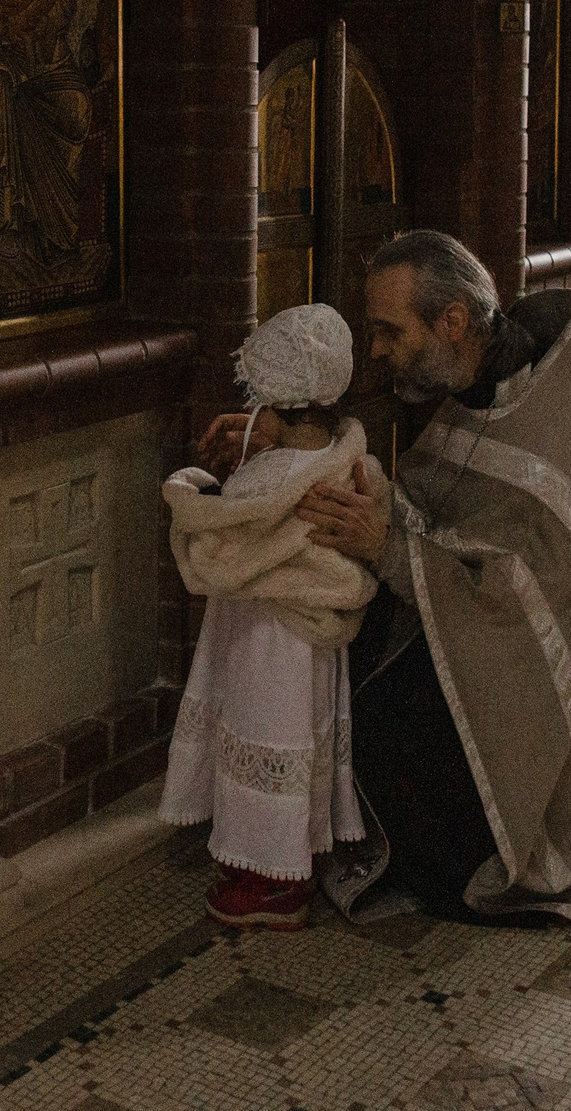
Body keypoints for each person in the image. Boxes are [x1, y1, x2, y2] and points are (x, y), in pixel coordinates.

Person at [198, 230, 571, 924]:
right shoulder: (479, 386)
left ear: (451, 321)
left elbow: (534, 603)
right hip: (487, 646)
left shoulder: (564, 414)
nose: (379, 350)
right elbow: (422, 507)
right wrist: (279, 438)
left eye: (391, 331)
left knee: (407, 753)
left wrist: (390, 547)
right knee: (352, 660)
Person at [159, 304, 384, 929]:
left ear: (274, 398)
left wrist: (190, 487)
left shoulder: (269, 479)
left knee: (265, 729)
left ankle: (272, 877)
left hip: (266, 634)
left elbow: (218, 547)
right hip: (310, 634)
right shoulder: (343, 457)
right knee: (300, 737)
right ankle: (290, 853)